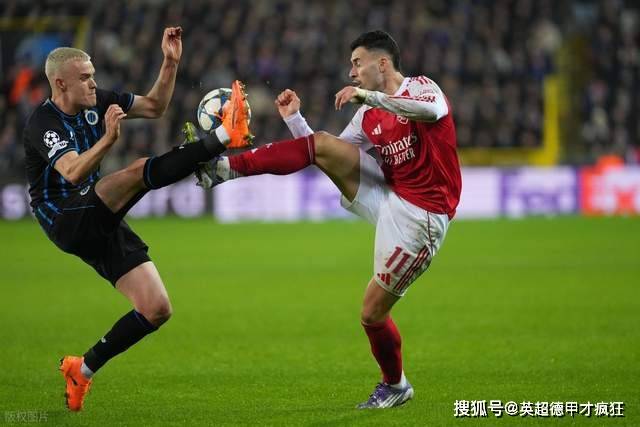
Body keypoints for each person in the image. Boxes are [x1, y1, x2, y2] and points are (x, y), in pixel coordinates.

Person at [196, 30, 461, 409]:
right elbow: (325, 153)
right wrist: (295, 120)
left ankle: (396, 385)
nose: (352, 72)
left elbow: (430, 113)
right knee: (322, 143)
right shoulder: (368, 114)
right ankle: (225, 169)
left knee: (371, 313)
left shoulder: (422, 88)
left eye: (357, 63)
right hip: (388, 193)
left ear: (382, 63)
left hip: (423, 216)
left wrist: (368, 97)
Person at [22, 27, 251, 411]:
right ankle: (224, 137)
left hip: (96, 213)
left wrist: (170, 62)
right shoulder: (42, 123)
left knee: (156, 308)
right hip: (64, 217)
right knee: (135, 172)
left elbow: (155, 106)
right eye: (85, 77)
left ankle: (82, 369)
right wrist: (108, 140)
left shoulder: (97, 100)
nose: (93, 83)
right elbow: (73, 172)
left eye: (93, 75)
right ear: (60, 83)